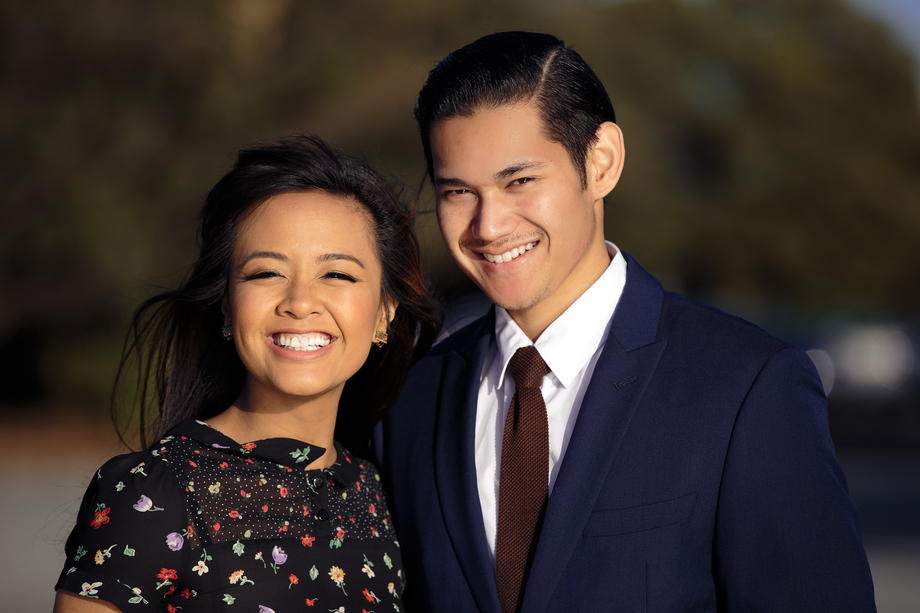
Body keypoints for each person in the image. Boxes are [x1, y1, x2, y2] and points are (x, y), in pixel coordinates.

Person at [377, 31, 876, 612]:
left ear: (602, 162)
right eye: (458, 190)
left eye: (519, 181)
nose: (487, 226)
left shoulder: (748, 387)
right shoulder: (413, 398)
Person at [54, 134, 439, 612]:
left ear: (385, 312)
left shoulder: (376, 495)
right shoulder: (156, 492)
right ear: (226, 308)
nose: (299, 302)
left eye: (337, 274)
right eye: (265, 273)